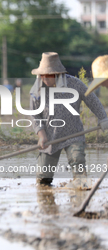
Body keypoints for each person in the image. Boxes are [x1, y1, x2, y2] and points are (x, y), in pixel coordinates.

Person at [29, 52, 108, 189]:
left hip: (74, 134)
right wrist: (41, 136)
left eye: (48, 75)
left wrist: (103, 118)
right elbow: (35, 115)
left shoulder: (74, 84)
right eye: (42, 75)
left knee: (78, 166)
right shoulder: (37, 90)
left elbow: (93, 101)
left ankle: (80, 193)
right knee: (43, 180)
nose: (44, 78)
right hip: (50, 136)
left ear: (58, 74)